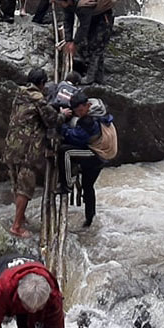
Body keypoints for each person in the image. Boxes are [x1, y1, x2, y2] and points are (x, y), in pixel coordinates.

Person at [4, 68, 61, 238]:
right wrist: (63, 115)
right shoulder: (38, 99)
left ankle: (21, 217)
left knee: (16, 182)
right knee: (25, 188)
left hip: (12, 144)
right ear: (42, 84)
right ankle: (17, 226)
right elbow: (51, 120)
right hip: (27, 150)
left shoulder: (20, 94)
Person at [57, 92, 117, 228]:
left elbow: (73, 137)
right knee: (87, 186)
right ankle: (89, 219)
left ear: (87, 105)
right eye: (76, 111)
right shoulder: (97, 105)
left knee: (65, 152)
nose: (79, 114)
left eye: (80, 111)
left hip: (98, 154)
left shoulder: (89, 121)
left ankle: (66, 185)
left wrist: (62, 124)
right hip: (104, 152)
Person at [55, 0, 117, 85]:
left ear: (68, 1)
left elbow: (84, 26)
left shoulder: (84, 5)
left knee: (96, 47)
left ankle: (90, 77)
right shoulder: (68, 4)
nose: (60, 5)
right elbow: (68, 21)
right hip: (92, 17)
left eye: (61, 2)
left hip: (103, 18)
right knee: (91, 45)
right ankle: (99, 77)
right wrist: (68, 40)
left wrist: (74, 43)